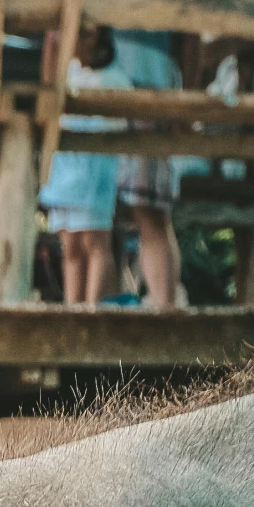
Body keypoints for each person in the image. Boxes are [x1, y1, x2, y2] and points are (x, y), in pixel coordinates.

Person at [39, 25, 123, 304]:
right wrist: (51, 46)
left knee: (95, 243)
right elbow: (47, 89)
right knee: (70, 246)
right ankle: (72, 312)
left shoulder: (115, 79)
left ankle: (92, 313)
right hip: (66, 169)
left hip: (96, 172)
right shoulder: (69, 74)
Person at [110, 28, 186, 309]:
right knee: (146, 216)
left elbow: (189, 38)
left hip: (151, 90)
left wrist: (181, 104)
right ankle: (163, 305)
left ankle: (165, 309)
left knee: (150, 213)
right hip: (121, 88)